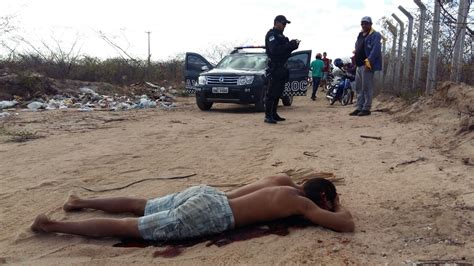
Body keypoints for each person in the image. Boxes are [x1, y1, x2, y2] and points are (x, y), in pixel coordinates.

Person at [31, 174, 355, 241]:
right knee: (128, 228)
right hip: (214, 213)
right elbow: (346, 224)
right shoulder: (298, 203)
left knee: (138, 205)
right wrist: (337, 206)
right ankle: (52, 225)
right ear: (323, 197)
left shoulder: (283, 180)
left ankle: (79, 202)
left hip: (210, 194)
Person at [264, 15, 300, 124]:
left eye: (285, 24)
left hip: (282, 68)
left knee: (278, 92)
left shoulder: (281, 36)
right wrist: (289, 45)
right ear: (276, 23)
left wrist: (293, 45)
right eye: (283, 23)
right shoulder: (272, 35)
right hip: (275, 67)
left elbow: (286, 52)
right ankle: (268, 115)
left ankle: (274, 114)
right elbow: (275, 50)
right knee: (271, 93)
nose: (285, 26)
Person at [349, 16, 382, 117]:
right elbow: (357, 46)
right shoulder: (360, 35)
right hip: (359, 65)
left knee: (367, 87)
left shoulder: (375, 35)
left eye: (366, 23)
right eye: (362, 23)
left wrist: (369, 62)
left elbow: (375, 49)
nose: (364, 25)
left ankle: (366, 108)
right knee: (359, 87)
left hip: (367, 65)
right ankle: (359, 107)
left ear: (371, 24)